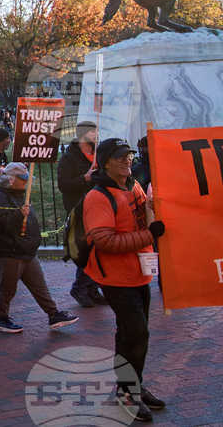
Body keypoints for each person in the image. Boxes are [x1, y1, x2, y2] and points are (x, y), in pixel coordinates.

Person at [84, 137, 166, 422]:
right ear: (105, 163)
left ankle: (131, 388)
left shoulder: (133, 185)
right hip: (116, 278)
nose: (127, 160)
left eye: (129, 155)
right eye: (120, 157)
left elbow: (147, 215)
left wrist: (157, 205)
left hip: (140, 273)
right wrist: (149, 235)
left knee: (131, 333)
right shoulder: (97, 197)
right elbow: (105, 241)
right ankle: (129, 390)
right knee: (137, 332)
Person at [0, 163, 79, 334]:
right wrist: (19, 214)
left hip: (25, 249)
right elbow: (0, 224)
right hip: (9, 250)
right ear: (11, 179)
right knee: (7, 288)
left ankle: (53, 314)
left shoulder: (19, 193)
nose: (26, 183)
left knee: (39, 284)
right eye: (22, 180)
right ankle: (1, 319)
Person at [58, 120, 108, 308]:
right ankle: (80, 287)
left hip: (99, 205)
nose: (96, 134)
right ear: (83, 135)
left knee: (98, 247)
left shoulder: (97, 153)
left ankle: (91, 288)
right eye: (93, 131)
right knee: (88, 249)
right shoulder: (69, 158)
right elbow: (63, 185)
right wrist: (85, 178)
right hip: (79, 208)